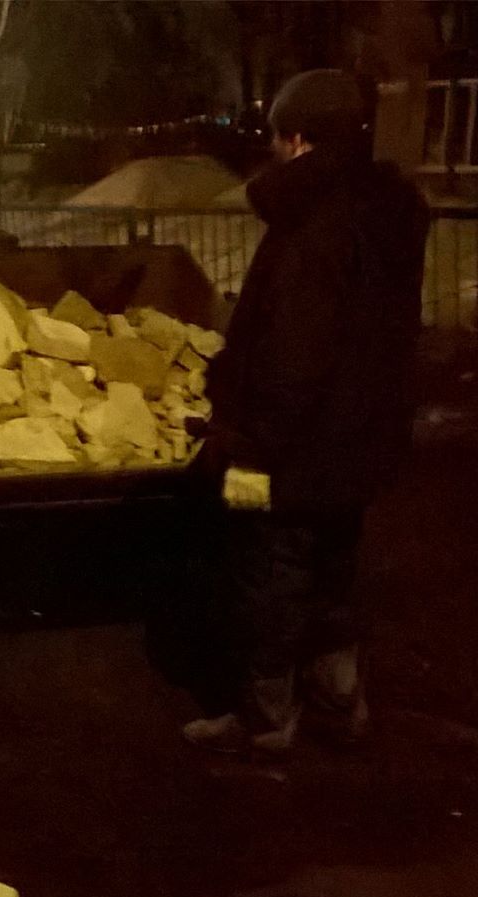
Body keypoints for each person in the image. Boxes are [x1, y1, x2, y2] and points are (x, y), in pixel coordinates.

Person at [183, 69, 430, 754]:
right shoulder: (384, 215)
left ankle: (267, 718)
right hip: (359, 440)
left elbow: (295, 352)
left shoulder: (312, 224)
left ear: (294, 138)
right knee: (333, 569)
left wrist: (251, 438)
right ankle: (338, 702)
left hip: (293, 443)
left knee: (272, 573)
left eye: (275, 135)